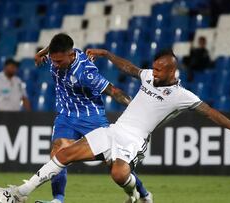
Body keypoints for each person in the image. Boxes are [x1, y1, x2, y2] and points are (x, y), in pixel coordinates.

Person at [0, 49, 230, 203]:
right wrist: (106, 54)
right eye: (153, 68)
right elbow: (129, 67)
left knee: (119, 176)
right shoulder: (147, 77)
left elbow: (211, 112)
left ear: (171, 71)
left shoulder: (183, 95)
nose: (153, 73)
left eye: (159, 70)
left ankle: (139, 196)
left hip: (134, 141)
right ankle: (21, 193)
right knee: (63, 154)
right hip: (114, 130)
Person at [33, 33, 151, 203]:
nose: (55, 65)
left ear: (71, 54)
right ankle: (58, 200)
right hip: (66, 115)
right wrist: (41, 53)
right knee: (58, 152)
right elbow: (51, 48)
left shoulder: (86, 72)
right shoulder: (55, 56)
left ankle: (144, 194)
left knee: (115, 165)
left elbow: (113, 91)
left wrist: (135, 108)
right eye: (52, 59)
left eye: (59, 61)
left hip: (92, 118)